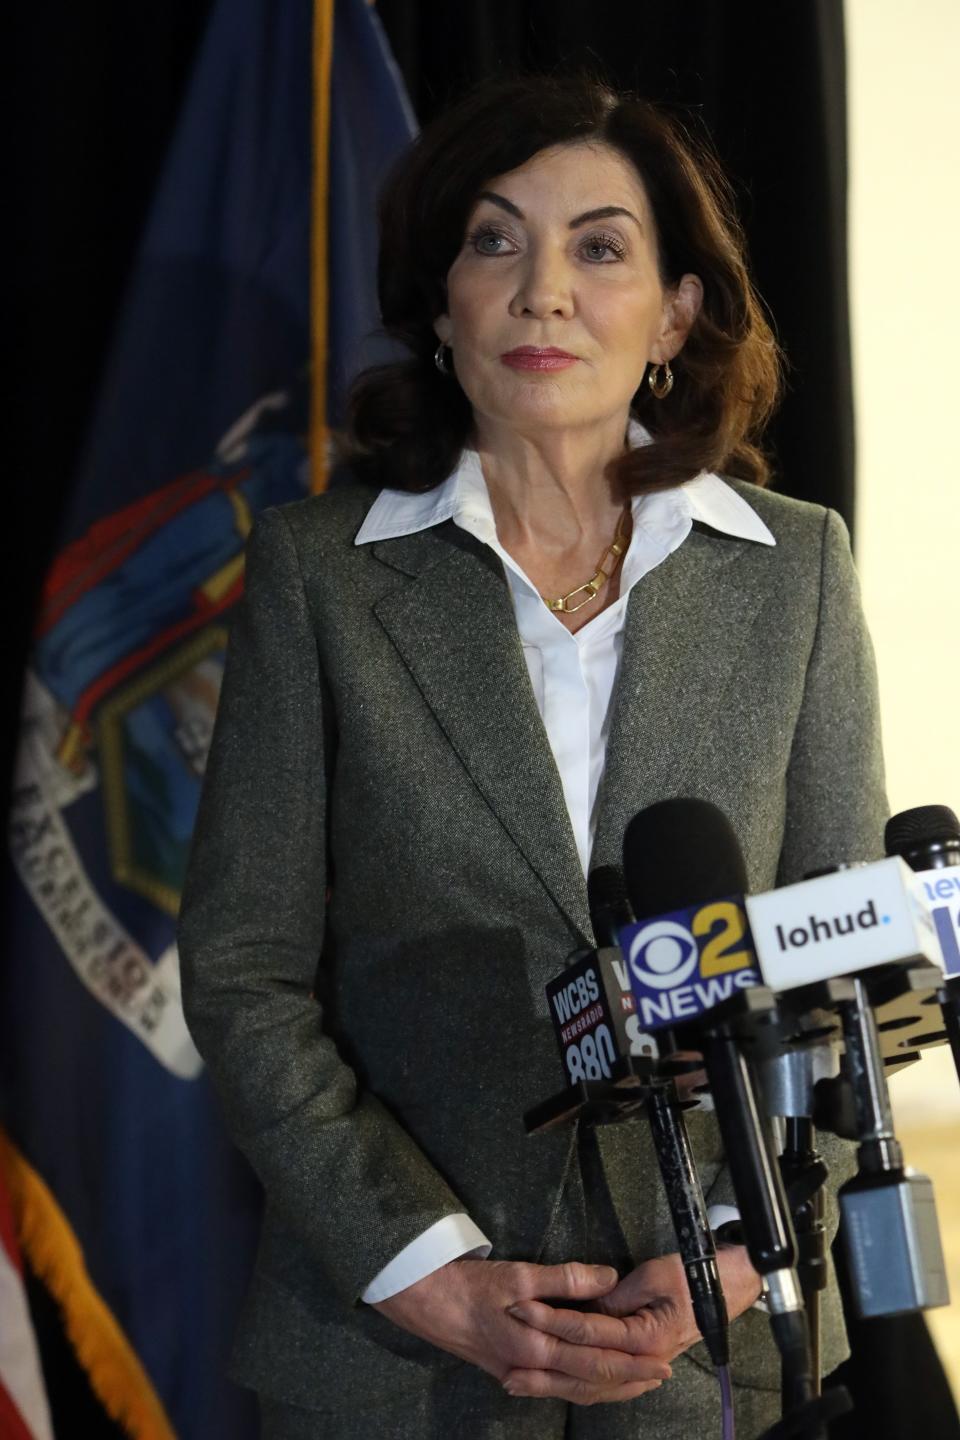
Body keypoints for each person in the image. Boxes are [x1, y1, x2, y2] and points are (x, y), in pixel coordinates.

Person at [178, 72, 887, 1439]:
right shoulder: (317, 577)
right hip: (394, 1364)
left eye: (600, 247)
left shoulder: (793, 573)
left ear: (677, 311)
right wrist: (437, 1279)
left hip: (714, 1359)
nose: (542, 288)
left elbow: (838, 974)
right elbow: (245, 974)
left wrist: (727, 1261)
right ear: (442, 305)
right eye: (494, 240)